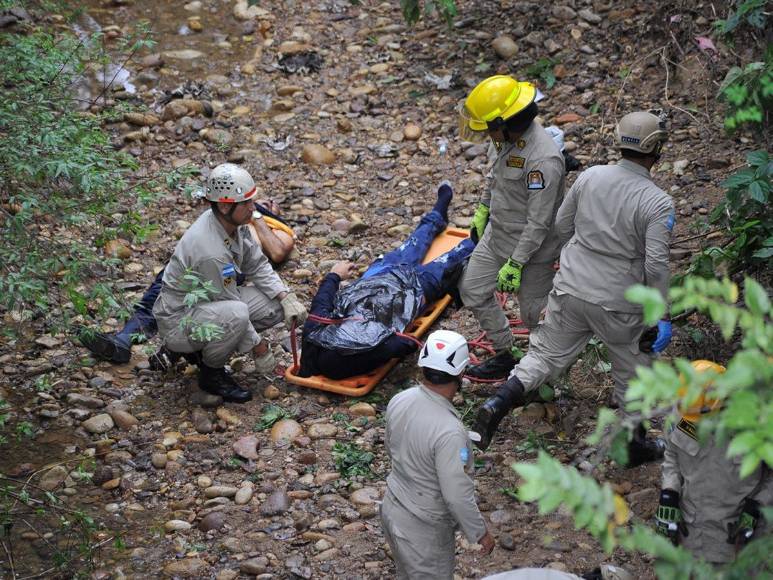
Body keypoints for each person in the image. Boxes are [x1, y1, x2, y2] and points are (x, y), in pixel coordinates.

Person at [472, 110, 675, 467]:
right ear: (656, 149)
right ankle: (633, 444)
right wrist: (661, 315)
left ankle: (498, 401)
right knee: (633, 370)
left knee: (543, 356)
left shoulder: (590, 177)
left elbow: (561, 227)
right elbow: (656, 265)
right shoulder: (657, 202)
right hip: (619, 303)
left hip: (571, 288)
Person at [151, 163, 307, 403]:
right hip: (180, 318)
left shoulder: (233, 223)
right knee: (236, 314)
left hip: (209, 303)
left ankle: (202, 349)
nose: (253, 208)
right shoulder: (209, 250)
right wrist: (258, 347)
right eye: (246, 203)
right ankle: (211, 373)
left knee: (276, 306)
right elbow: (230, 303)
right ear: (224, 205)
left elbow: (257, 264)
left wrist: (285, 296)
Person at [78, 198, 294, 366]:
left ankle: (184, 350)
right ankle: (124, 340)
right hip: (195, 261)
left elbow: (277, 252)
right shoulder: (228, 216)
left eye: (271, 204)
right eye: (252, 202)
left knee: (227, 311)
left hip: (226, 267)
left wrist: (259, 216)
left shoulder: (276, 228)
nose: (264, 203)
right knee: (158, 298)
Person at [298, 183, 475, 379]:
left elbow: (322, 301)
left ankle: (439, 214)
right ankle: (482, 233)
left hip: (383, 278)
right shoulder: (354, 352)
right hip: (410, 289)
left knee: (420, 246)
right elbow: (403, 345)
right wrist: (334, 276)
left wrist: (335, 275)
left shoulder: (317, 333)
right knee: (447, 256)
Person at [457, 75, 566, 380]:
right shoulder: (502, 140)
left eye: (488, 127)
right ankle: (505, 352)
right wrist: (483, 208)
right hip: (498, 235)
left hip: (533, 250)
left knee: (534, 316)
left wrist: (516, 263)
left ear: (505, 122)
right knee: (472, 289)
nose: (486, 134)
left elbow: (539, 222)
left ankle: (543, 372)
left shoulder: (543, 159)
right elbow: (495, 178)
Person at [380, 329, 495, 579]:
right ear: (461, 373)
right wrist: (479, 532)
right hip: (423, 531)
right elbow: (456, 495)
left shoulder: (400, 399)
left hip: (392, 509)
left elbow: (391, 448)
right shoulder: (450, 432)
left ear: (422, 366)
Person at [656, 360, 772, 565]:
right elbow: (672, 455)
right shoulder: (683, 409)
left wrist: (757, 506)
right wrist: (669, 494)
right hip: (692, 533)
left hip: (742, 534)